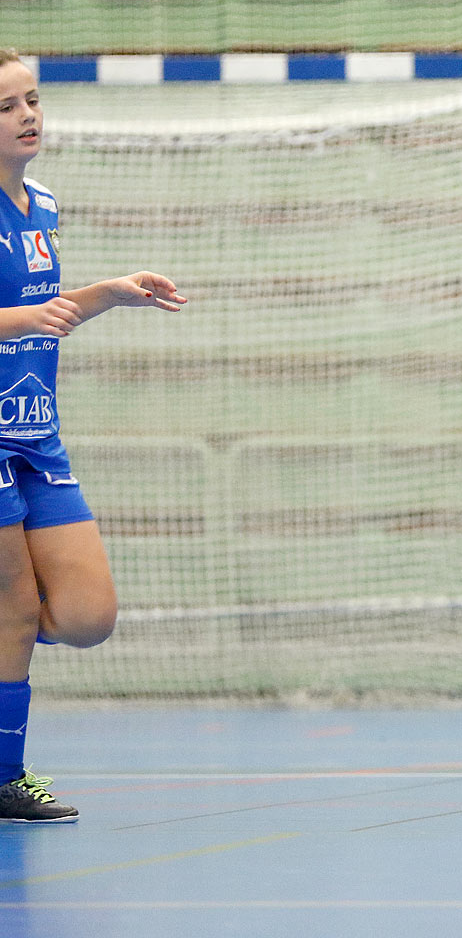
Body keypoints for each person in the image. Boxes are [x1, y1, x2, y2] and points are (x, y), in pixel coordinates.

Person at [0, 48, 185, 822]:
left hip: (36, 431)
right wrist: (14, 320)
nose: (29, 115)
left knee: (84, 616)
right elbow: (19, 313)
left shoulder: (40, 204)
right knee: (10, 605)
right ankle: (5, 778)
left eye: (32, 99)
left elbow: (44, 304)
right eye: (7, 107)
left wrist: (105, 295)